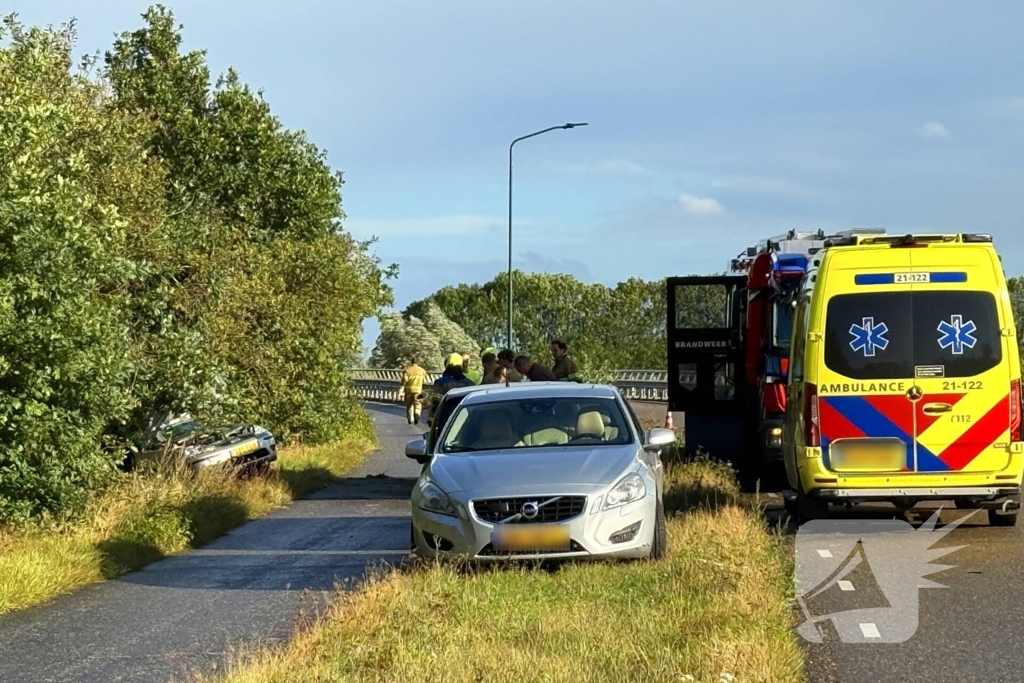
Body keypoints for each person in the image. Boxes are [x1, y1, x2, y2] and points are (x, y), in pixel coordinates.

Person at [428, 353, 475, 424]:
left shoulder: (440, 383)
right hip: (465, 421)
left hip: (445, 421)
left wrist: (431, 420)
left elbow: (436, 404)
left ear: (447, 365)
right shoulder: (470, 384)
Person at [401, 357, 428, 424]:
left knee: (409, 405)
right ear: (418, 363)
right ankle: (417, 414)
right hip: (418, 391)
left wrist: (400, 390)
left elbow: (404, 381)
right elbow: (424, 381)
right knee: (418, 403)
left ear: (411, 362)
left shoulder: (407, 370)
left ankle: (410, 419)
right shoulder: (422, 371)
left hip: (409, 391)